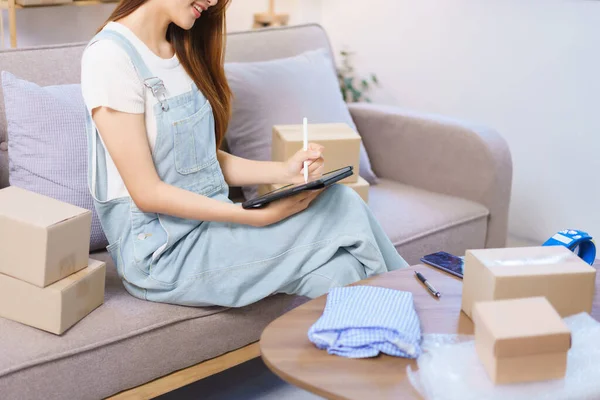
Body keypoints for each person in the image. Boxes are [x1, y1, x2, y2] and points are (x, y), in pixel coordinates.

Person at [81, 0, 409, 308]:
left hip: (210, 228)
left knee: (342, 269)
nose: (212, 2)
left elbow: (202, 162)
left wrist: (284, 172)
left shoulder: (179, 50)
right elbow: (146, 193)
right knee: (343, 205)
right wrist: (254, 216)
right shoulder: (110, 57)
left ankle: (379, 350)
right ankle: (419, 313)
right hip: (163, 254)